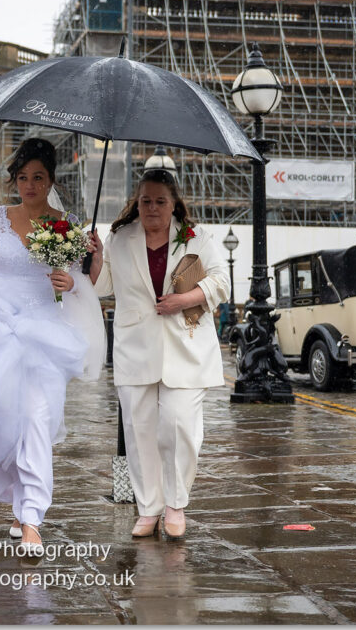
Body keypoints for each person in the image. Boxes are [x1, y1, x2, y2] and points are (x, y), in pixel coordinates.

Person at [0, 138, 104, 557]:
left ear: (51, 179)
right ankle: (19, 506)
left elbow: (82, 279)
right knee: (6, 417)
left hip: (45, 328)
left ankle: (33, 517)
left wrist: (76, 274)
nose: (30, 185)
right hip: (0, 322)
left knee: (37, 416)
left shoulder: (67, 222)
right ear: (14, 180)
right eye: (23, 177)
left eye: (38, 177)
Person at [89, 168, 229, 540]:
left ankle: (175, 505)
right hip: (135, 346)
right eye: (146, 200)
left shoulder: (197, 236)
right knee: (139, 432)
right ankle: (148, 508)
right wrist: (96, 256)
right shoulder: (119, 237)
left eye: (160, 201)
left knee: (179, 427)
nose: (152, 208)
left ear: (174, 203)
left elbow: (221, 282)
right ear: (136, 202)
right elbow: (102, 286)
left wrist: (185, 299)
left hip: (187, 345)